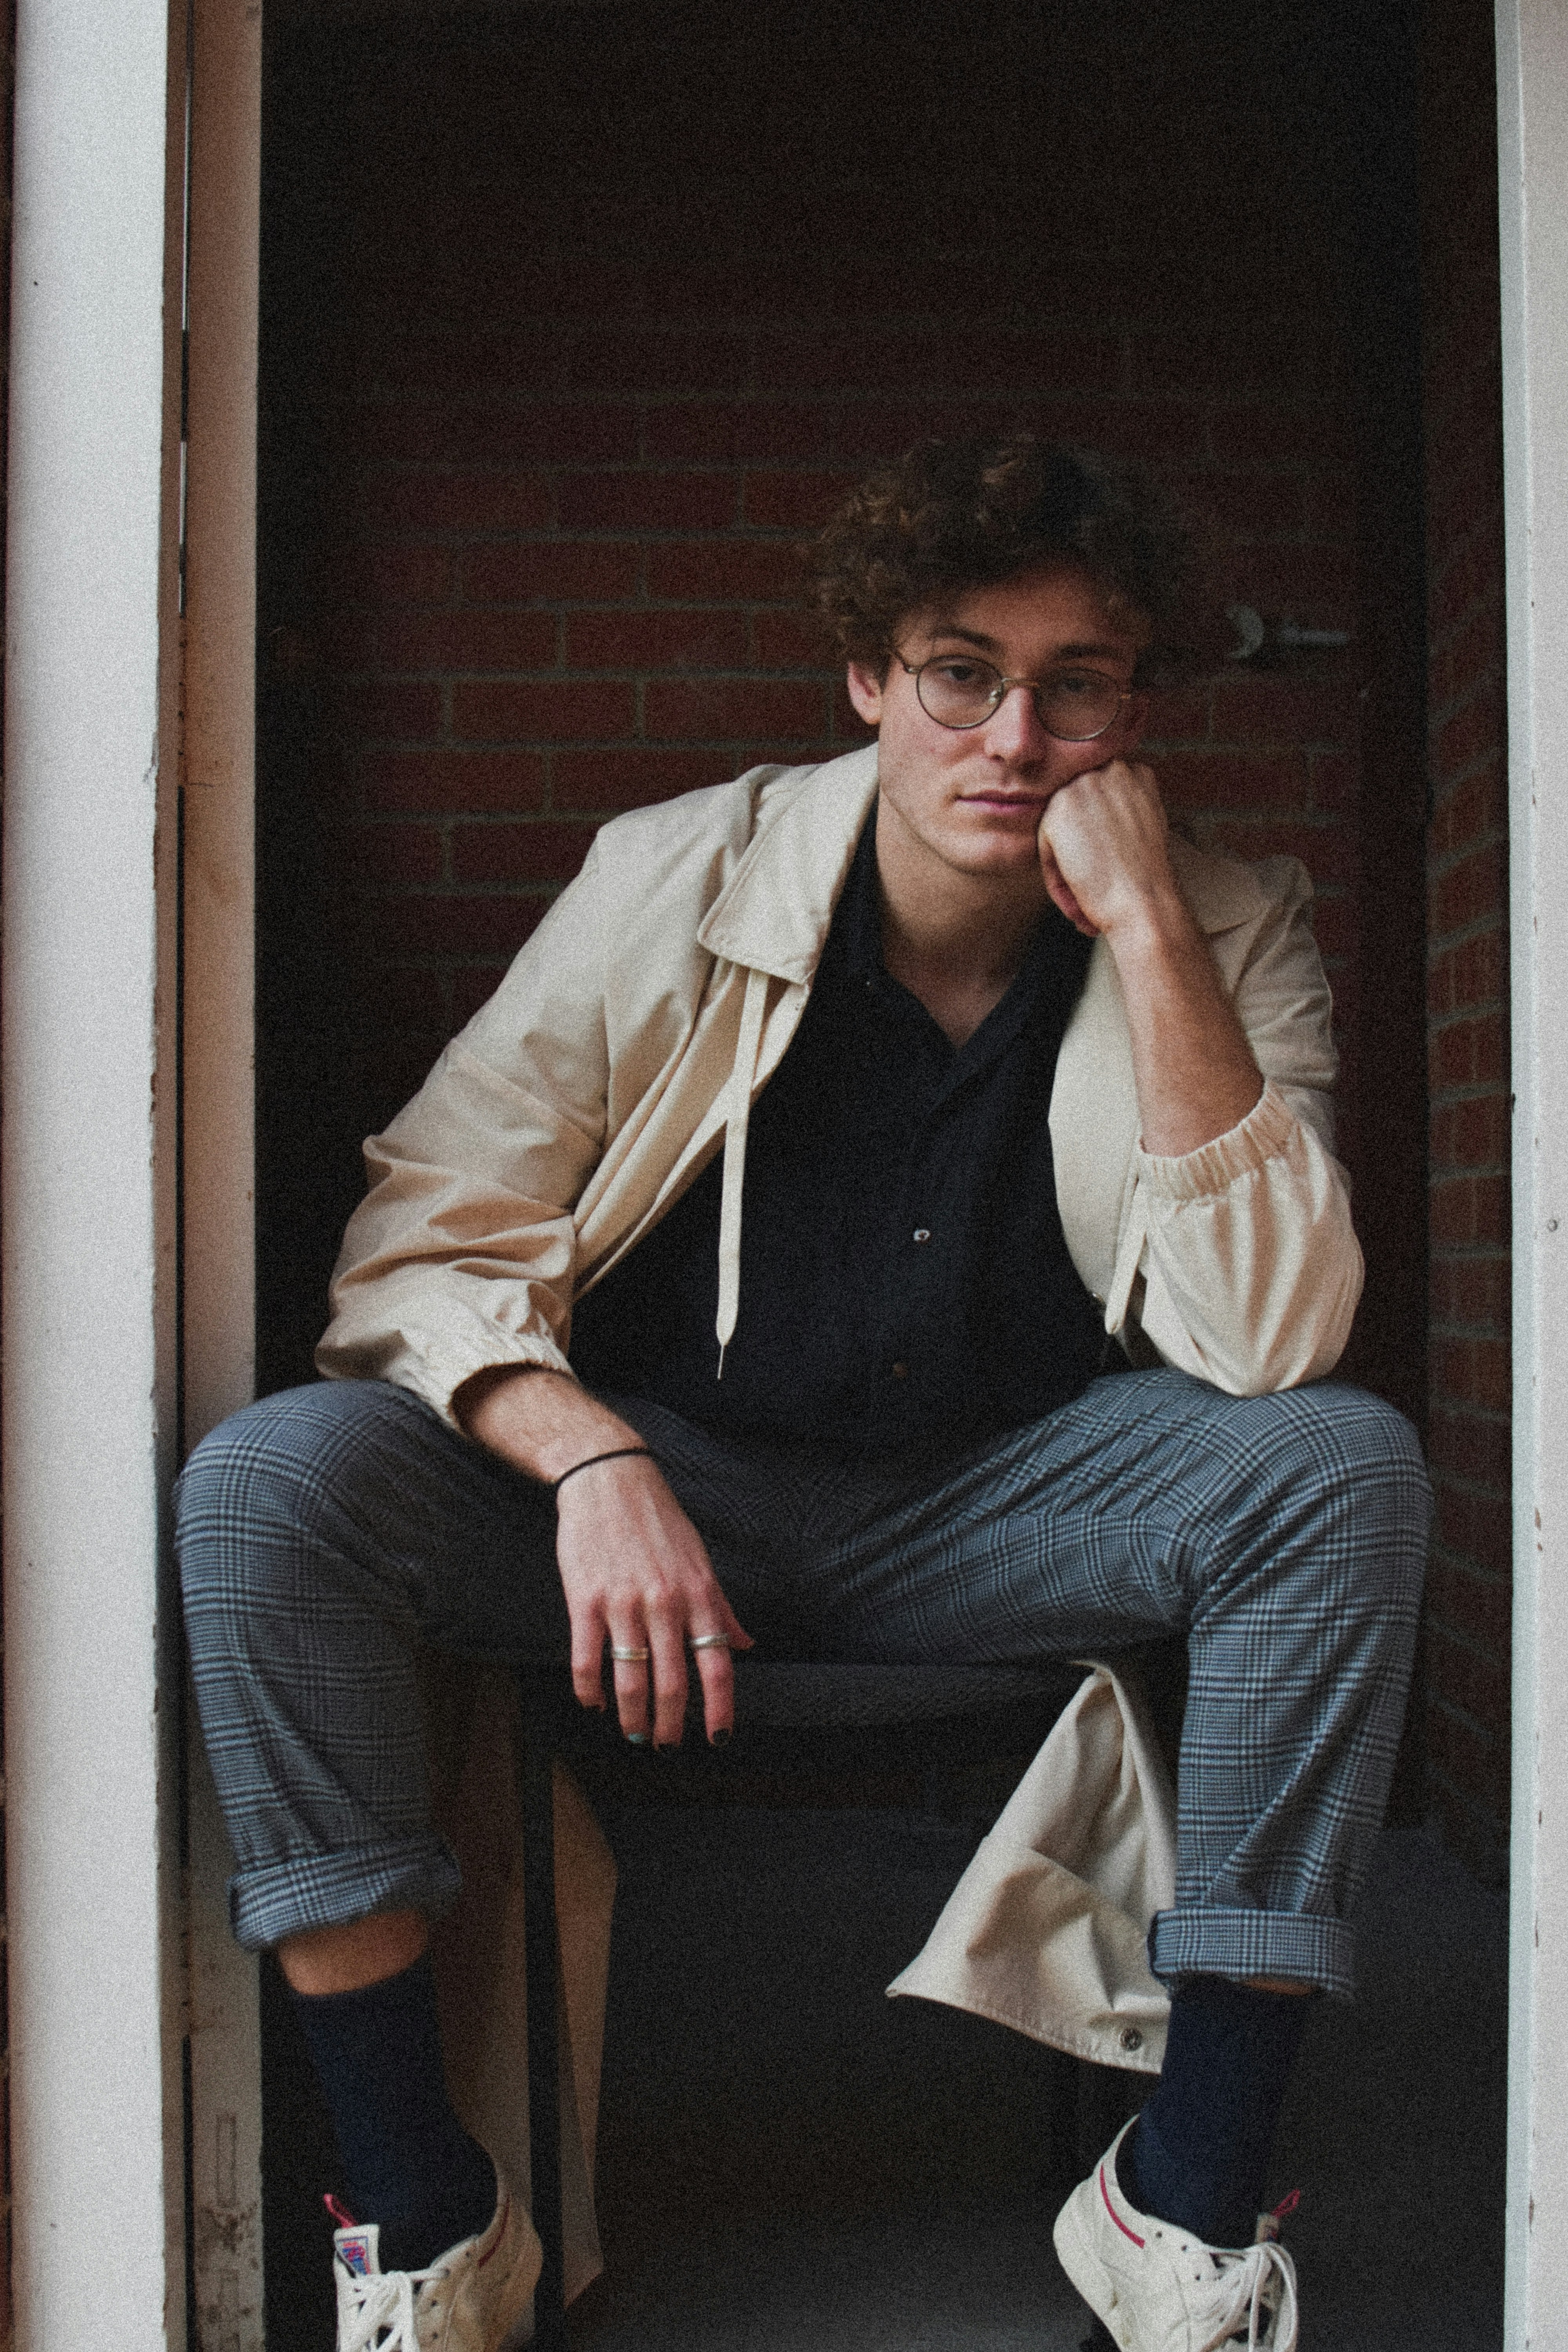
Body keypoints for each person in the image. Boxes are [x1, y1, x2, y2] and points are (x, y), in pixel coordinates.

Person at [176, 435, 1430, 2352]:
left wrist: (1156, 934)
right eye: (959, 672)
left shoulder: (1228, 918)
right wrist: (585, 1452)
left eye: (1074, 685)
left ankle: (1188, 2205)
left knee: (1336, 1471)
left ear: (1136, 705)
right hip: (661, 1493)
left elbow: (1273, 1341)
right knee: (274, 1485)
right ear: (867, 678)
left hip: (1011, 1504)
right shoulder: (675, 875)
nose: (1013, 736)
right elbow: (421, 1239)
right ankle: (423, 2222)